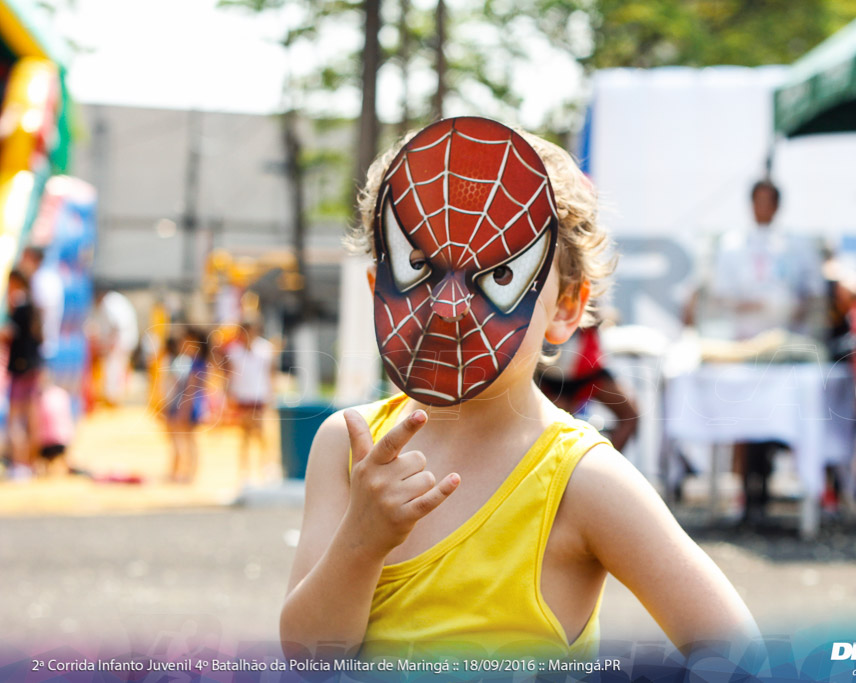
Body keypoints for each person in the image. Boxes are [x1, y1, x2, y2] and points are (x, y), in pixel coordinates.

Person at [281, 118, 757, 661]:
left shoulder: (581, 481)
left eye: (499, 276)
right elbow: (307, 656)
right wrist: (360, 543)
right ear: (377, 287)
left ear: (568, 308)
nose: (447, 306)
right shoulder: (346, 446)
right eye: (418, 267)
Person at [707, 179, 825, 522]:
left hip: (784, 350)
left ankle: (770, 488)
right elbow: (721, 296)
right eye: (758, 200)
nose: (763, 207)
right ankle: (749, 492)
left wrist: (789, 308)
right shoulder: (733, 245)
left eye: (769, 201)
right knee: (745, 423)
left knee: (778, 422)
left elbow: (812, 294)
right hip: (746, 348)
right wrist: (754, 306)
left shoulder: (794, 246)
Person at [224, 320, 276, 484]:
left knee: (260, 433)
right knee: (245, 434)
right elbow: (229, 374)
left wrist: (271, 394)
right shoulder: (234, 351)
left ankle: (266, 466)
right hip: (241, 396)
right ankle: (245, 470)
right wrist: (228, 395)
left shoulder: (265, 349)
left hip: (259, 396)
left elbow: (270, 374)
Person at [2, 269, 43, 479]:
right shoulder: (34, 305)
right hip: (33, 367)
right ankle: (31, 463)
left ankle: (19, 464)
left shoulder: (19, 304)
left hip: (20, 368)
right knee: (30, 417)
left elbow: (8, 334)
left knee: (16, 419)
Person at [164, 328, 209, 484]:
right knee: (189, 441)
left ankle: (189, 473)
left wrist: (183, 410)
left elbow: (190, 389)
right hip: (193, 403)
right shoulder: (198, 362)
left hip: (189, 404)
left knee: (187, 441)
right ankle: (187, 472)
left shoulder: (195, 363)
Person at [18, 246, 64, 362]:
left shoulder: (40, 280)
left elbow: (40, 312)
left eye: (24, 258)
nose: (21, 262)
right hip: (43, 343)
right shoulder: (47, 277)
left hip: (38, 344)